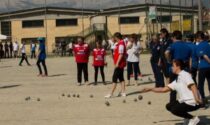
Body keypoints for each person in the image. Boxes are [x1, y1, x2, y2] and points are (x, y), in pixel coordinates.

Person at [143, 60, 202, 125]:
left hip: (193, 101)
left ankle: (193, 118)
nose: (171, 67)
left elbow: (193, 86)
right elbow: (164, 89)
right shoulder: (177, 79)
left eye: (173, 66)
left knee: (174, 109)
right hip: (185, 101)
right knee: (169, 106)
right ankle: (187, 117)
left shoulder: (185, 74)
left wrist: (197, 98)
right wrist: (150, 89)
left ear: (178, 67)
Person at [165, 30, 192, 103]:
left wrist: (169, 60)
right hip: (185, 68)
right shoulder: (187, 46)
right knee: (186, 86)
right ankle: (187, 100)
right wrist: (190, 69)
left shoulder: (172, 45)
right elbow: (190, 59)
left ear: (174, 37)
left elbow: (166, 52)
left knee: (172, 87)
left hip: (175, 68)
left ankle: (172, 102)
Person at [105, 32, 127, 98]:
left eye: (114, 37)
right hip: (120, 63)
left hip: (120, 64)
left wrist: (117, 63)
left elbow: (121, 54)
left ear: (116, 37)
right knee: (121, 78)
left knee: (114, 78)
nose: (113, 38)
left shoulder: (121, 44)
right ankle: (123, 92)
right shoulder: (119, 43)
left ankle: (111, 93)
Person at [195, 31, 210, 107]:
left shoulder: (199, 46)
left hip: (203, 67)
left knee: (201, 84)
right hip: (208, 68)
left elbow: (204, 55)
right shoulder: (208, 44)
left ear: (198, 38)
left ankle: (203, 101)